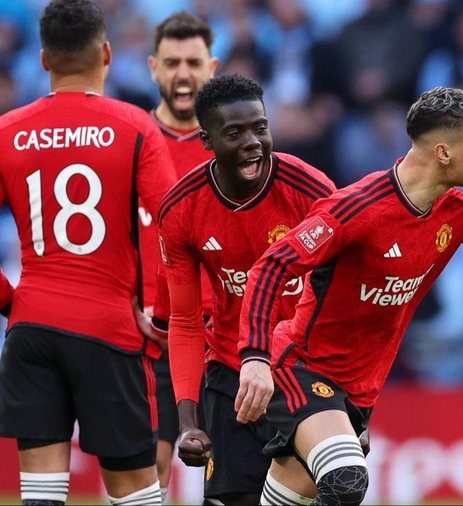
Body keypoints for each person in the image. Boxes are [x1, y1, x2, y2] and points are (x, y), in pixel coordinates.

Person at [235, 86, 463, 505]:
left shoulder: (456, 211)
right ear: (444, 153)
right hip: (303, 366)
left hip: (359, 388)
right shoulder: (357, 209)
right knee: (347, 481)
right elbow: (272, 265)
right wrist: (254, 356)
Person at [0, 1, 177, 504]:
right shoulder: (137, 127)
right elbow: (170, 227)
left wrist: (10, 300)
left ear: (42, 60)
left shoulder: (8, 130)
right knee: (135, 492)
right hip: (108, 328)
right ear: (105, 53)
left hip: (31, 327)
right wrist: (157, 310)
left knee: (40, 495)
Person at [158, 74, 336, 505]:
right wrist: (187, 421)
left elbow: (341, 295)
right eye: (234, 132)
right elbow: (184, 320)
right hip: (230, 372)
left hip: (304, 372)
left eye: (260, 127)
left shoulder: (314, 193)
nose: (253, 141)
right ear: (206, 140)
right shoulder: (181, 209)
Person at [144, 11, 219, 498]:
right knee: (146, 481)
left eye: (193, 62)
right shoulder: (132, 138)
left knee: (226, 483)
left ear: (212, 67)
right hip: (142, 337)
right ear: (153, 67)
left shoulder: (234, 150)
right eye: (172, 62)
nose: (183, 73)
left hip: (216, 342)